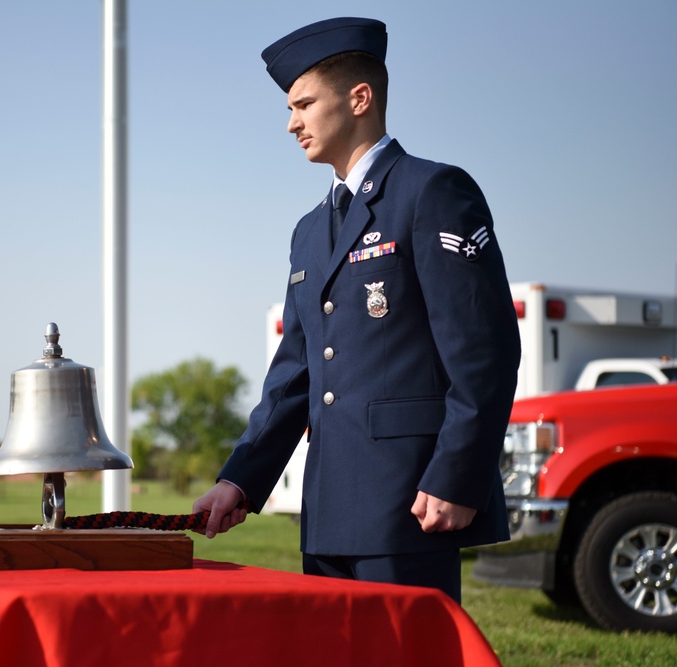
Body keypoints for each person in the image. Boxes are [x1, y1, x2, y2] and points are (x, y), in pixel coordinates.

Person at [192, 17, 521, 602]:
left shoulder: (434, 191)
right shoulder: (309, 230)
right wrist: (239, 479)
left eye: (304, 104)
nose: (292, 123)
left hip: (412, 501)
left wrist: (457, 476)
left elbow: (485, 351)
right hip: (328, 506)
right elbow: (295, 372)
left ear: (360, 98)